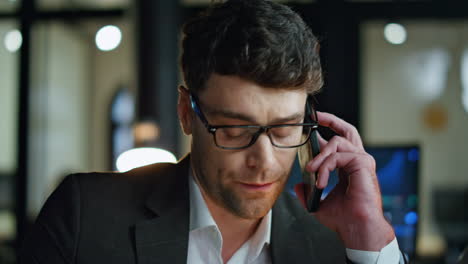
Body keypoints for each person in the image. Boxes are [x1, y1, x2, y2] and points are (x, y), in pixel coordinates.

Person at [20, 0, 407, 263]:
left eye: (287, 128)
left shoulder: (340, 245)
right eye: (236, 129)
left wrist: (371, 240)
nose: (265, 161)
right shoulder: (84, 218)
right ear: (187, 114)